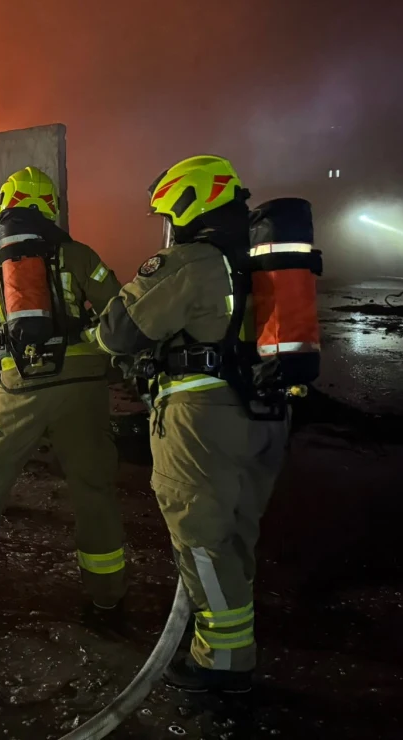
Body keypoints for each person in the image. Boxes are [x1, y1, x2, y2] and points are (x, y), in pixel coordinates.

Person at [96, 155, 288, 693]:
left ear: (188, 205)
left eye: (168, 215)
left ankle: (222, 667)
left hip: (204, 421)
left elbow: (118, 331)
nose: (167, 227)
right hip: (265, 413)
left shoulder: (193, 261)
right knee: (234, 537)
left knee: (201, 541)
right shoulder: (261, 261)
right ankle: (227, 642)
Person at [0, 166, 127, 611]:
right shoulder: (78, 254)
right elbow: (119, 307)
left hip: (21, 384)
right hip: (82, 385)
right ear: (51, 207)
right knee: (92, 487)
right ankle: (106, 593)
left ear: (5, 205)